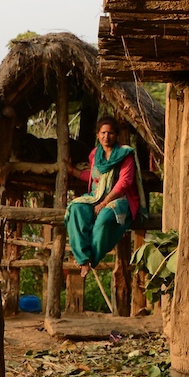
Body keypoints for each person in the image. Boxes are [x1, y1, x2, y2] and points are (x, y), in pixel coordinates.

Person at [64, 116, 143, 282]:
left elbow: (125, 182)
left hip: (119, 198)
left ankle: (93, 257)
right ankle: (83, 259)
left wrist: (105, 202)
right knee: (76, 208)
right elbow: (94, 178)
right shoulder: (95, 154)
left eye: (111, 133)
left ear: (117, 135)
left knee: (105, 218)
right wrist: (73, 171)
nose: (107, 136)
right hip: (95, 196)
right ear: (98, 134)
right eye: (103, 133)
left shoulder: (125, 154)